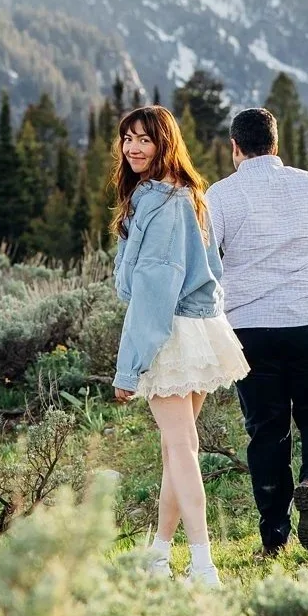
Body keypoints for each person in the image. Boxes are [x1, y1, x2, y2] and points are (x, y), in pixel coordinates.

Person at [110, 104, 250, 587]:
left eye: (144, 139)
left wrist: (129, 370)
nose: (133, 147)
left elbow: (153, 288)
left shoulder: (160, 203)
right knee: (179, 449)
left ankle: (204, 566)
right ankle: (159, 556)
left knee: (180, 447)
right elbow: (213, 271)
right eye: (127, 138)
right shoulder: (190, 195)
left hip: (170, 331)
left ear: (164, 143)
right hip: (200, 327)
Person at [205, 106, 308, 557]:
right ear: (276, 143)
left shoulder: (220, 196)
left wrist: (219, 325)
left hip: (249, 331)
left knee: (267, 432)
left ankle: (274, 540)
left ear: (234, 148)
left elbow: (209, 267)